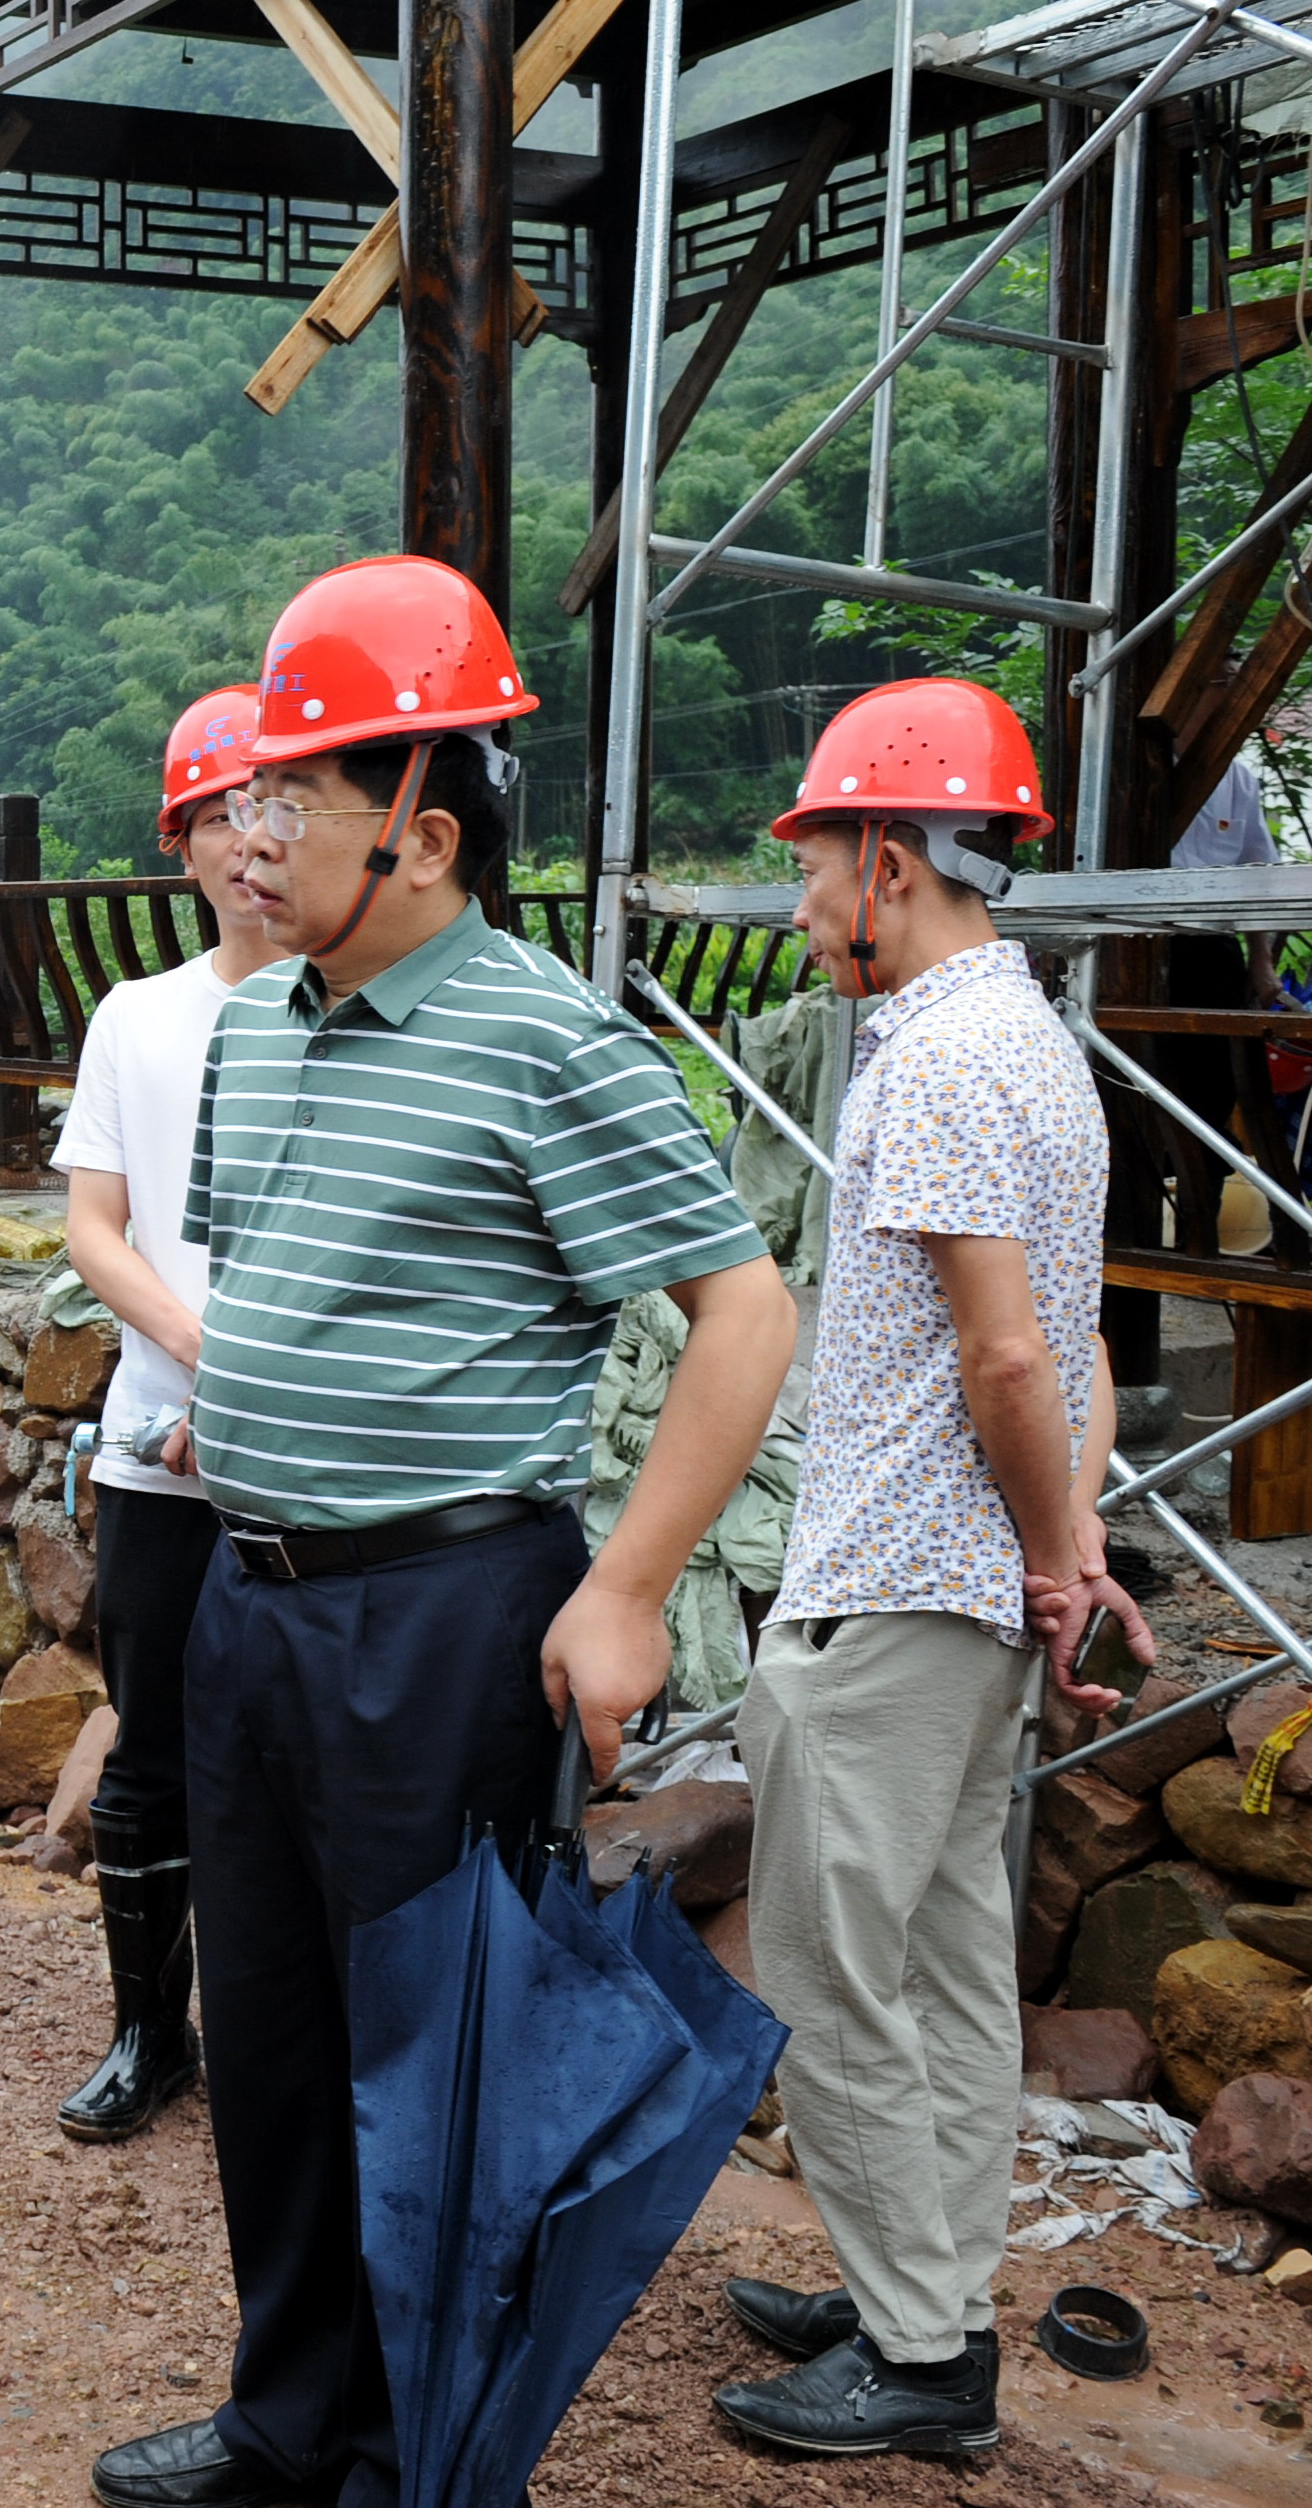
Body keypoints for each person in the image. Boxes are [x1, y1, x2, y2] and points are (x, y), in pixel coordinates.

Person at [90, 558, 795, 2508]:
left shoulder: (544, 1042)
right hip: (253, 1600)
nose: (247, 831)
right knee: (276, 2033)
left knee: (441, 2076)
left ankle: (419, 2464)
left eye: (289, 794)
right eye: (244, 795)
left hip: (443, 1619)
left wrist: (629, 1588)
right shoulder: (254, 1033)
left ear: (420, 813)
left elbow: (744, 1312)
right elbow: (244, 1287)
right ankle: (281, 2419)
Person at [712, 681, 1144, 2461]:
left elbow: (1010, 1364)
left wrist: (1053, 1551)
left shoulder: (943, 1061)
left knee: (828, 1970)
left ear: (887, 860)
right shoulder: (1038, 1045)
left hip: (896, 1583)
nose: (803, 907)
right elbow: (1083, 1345)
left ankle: (917, 2352)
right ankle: (926, 2292)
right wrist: (1065, 1548)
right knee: (955, 1969)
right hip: (963, 1597)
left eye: (813, 868)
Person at [44, 684, 284, 2145]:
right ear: (180, 847)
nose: (246, 844)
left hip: (320, 1468)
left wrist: (260, 1391)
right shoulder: (139, 1019)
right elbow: (94, 1227)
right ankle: (152, 2031)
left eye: (269, 807)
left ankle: (284, 2041)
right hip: (157, 1451)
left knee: (296, 1750)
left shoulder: (360, 1014)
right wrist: (202, 1358)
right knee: (150, 1750)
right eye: (214, 816)